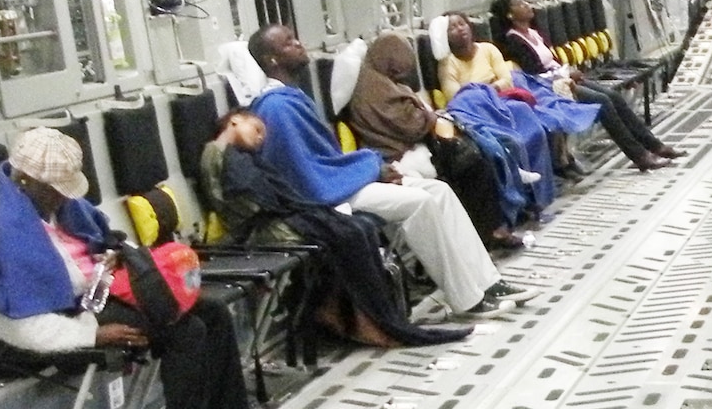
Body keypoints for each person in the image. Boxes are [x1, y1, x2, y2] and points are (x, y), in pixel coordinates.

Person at [0, 127, 274, 409]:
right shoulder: (4, 230)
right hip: (71, 317)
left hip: (99, 292)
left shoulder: (60, 206)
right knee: (186, 330)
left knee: (211, 311)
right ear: (25, 179)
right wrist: (93, 334)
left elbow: (99, 242)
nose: (62, 198)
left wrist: (115, 258)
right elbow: (16, 323)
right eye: (55, 190)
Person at [234, 25, 517, 314]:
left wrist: (371, 167)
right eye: (288, 43)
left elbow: (324, 161)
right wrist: (371, 168)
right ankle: (467, 299)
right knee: (419, 203)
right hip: (325, 198)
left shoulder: (292, 97)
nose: (299, 44)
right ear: (271, 60)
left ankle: (488, 281)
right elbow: (306, 175)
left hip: (338, 183)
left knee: (439, 190)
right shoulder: (276, 109)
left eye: (296, 37)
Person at [200, 110, 469, 349]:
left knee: (356, 229)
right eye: (257, 130)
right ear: (234, 120)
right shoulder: (216, 152)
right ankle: (370, 321)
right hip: (262, 228)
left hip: (277, 218)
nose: (260, 139)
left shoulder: (239, 158)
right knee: (349, 233)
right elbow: (237, 202)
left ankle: (366, 316)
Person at [349, 32, 531, 246]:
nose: (401, 73)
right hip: (397, 152)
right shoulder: (373, 91)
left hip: (415, 142)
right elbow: (411, 126)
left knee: (477, 150)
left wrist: (428, 114)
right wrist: (429, 115)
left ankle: (490, 223)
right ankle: (486, 231)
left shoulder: (386, 82)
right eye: (397, 67)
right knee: (472, 164)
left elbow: (417, 116)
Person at [491, 0, 684, 171]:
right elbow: (534, 74)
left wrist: (567, 73)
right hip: (548, 88)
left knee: (614, 96)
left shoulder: (533, 34)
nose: (527, 5)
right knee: (602, 102)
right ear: (510, 14)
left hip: (563, 78)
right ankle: (639, 156)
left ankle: (655, 146)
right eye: (520, 4)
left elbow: (552, 61)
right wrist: (566, 74)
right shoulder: (514, 41)